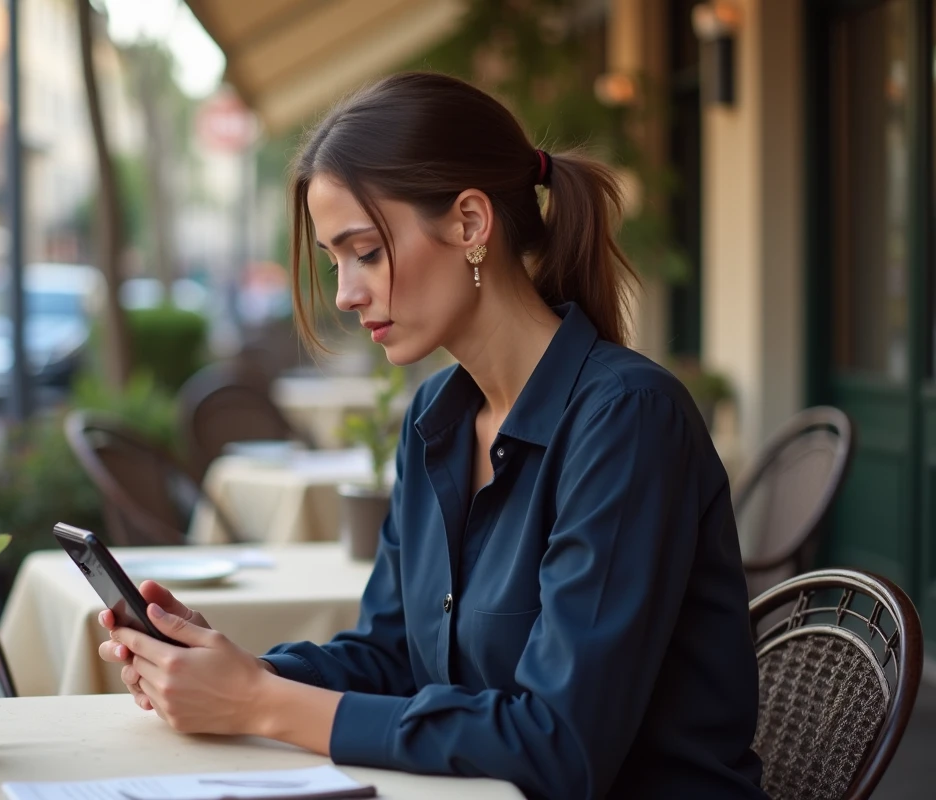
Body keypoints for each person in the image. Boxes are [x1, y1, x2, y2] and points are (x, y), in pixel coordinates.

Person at [96, 72, 766, 799]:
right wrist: (235, 672)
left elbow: (559, 747)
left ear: (471, 224)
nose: (347, 294)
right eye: (336, 262)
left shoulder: (627, 420)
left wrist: (262, 704)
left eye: (368, 252)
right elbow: (392, 656)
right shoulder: (435, 422)